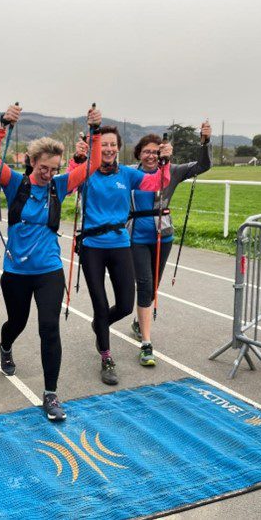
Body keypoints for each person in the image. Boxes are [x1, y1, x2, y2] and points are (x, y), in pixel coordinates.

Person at [0, 102, 102, 422]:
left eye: (54, 168)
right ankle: (6, 345)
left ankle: (51, 395)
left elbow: (90, 165)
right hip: (16, 271)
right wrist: (2, 124)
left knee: (49, 328)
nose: (49, 174)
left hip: (49, 269)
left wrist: (95, 131)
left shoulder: (59, 186)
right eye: (44, 168)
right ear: (31, 162)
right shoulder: (14, 183)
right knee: (17, 323)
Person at [68, 126, 171, 384]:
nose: (109, 149)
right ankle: (106, 357)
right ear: (95, 148)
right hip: (92, 246)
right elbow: (68, 186)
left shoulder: (126, 174)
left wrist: (165, 161)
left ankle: (100, 324)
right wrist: (77, 159)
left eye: (113, 145)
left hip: (120, 243)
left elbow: (158, 182)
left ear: (118, 147)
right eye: (103, 145)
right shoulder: (88, 172)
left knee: (125, 305)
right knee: (100, 305)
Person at [129, 122, 212, 367]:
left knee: (153, 285)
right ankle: (146, 343)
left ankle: (139, 321)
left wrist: (205, 142)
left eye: (156, 152)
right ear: (139, 154)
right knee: (144, 284)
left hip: (163, 235)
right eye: (147, 151)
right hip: (136, 236)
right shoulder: (130, 173)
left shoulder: (172, 170)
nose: (151, 155)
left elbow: (203, 166)